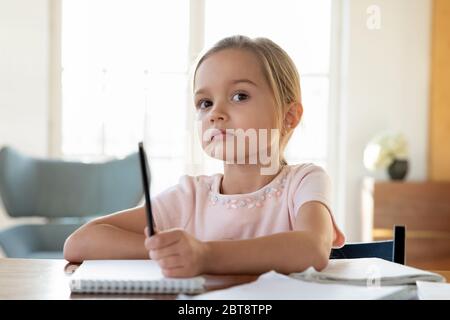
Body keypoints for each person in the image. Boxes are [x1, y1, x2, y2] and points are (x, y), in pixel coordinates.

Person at [64, 35, 345, 278]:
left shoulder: (305, 181)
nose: (215, 113)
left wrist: (205, 255)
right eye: (205, 103)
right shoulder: (191, 196)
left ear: (289, 116)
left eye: (239, 96)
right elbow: (79, 243)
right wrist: (173, 253)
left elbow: (312, 248)